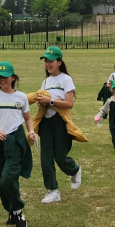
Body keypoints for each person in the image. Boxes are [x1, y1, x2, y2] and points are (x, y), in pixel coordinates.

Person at [0, 62, 37, 227]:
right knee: (3, 180)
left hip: (16, 141)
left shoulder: (22, 97)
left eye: (5, 77)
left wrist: (31, 131)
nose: (2, 80)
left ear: (13, 77)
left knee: (8, 177)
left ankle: (18, 210)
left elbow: (27, 118)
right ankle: (11, 211)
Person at [36, 46, 82, 204]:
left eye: (51, 61)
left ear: (59, 62)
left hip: (60, 121)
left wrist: (51, 101)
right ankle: (53, 190)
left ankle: (75, 169)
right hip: (46, 122)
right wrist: (40, 104)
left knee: (60, 157)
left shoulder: (65, 79)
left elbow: (70, 103)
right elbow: (42, 99)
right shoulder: (46, 81)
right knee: (46, 158)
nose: (48, 64)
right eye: (46, 61)